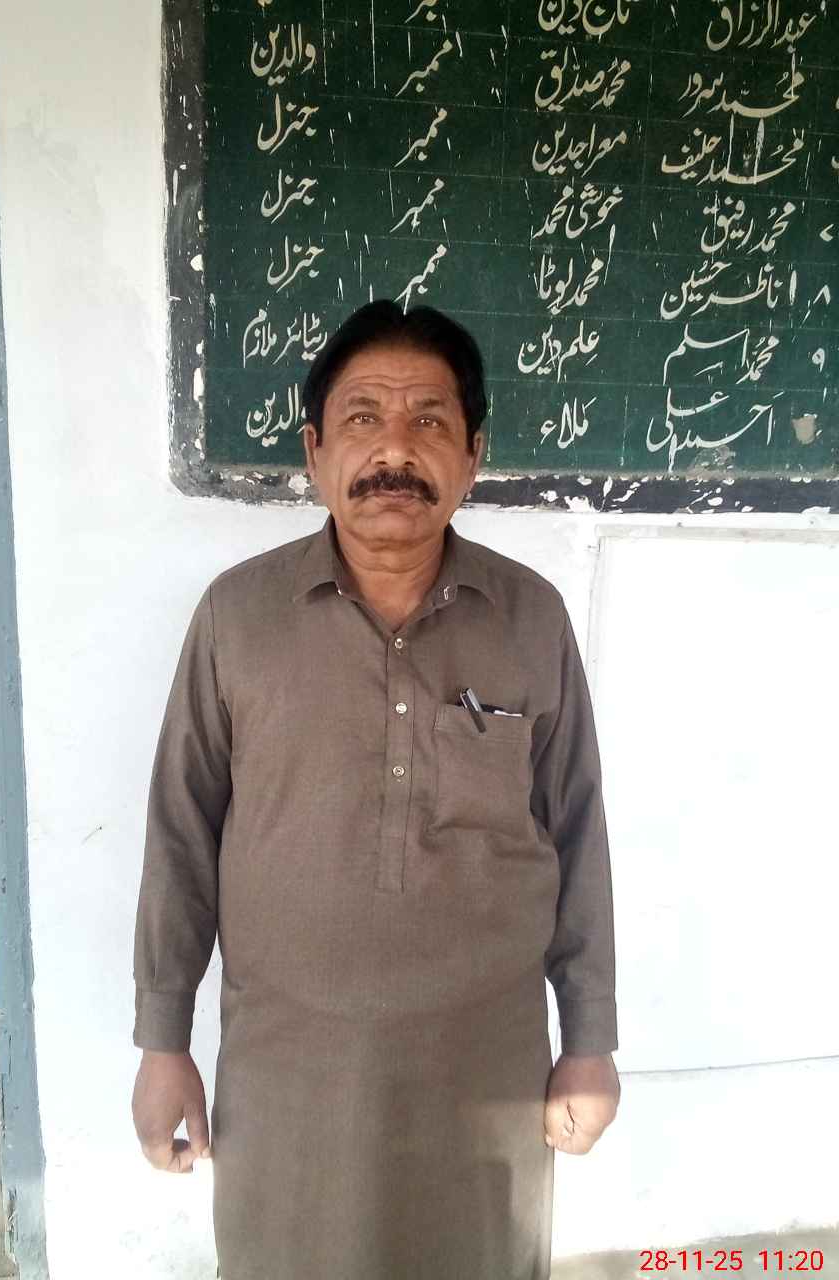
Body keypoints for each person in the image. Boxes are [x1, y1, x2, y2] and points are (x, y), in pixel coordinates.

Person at [131, 300, 620, 1280]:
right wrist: (163, 1039)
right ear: (315, 452)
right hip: (287, 1070)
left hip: (485, 1069)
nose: (395, 449)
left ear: (473, 456)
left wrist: (590, 1041)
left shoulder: (531, 619)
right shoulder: (238, 616)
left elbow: (577, 835)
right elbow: (181, 833)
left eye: (429, 419)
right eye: (363, 417)